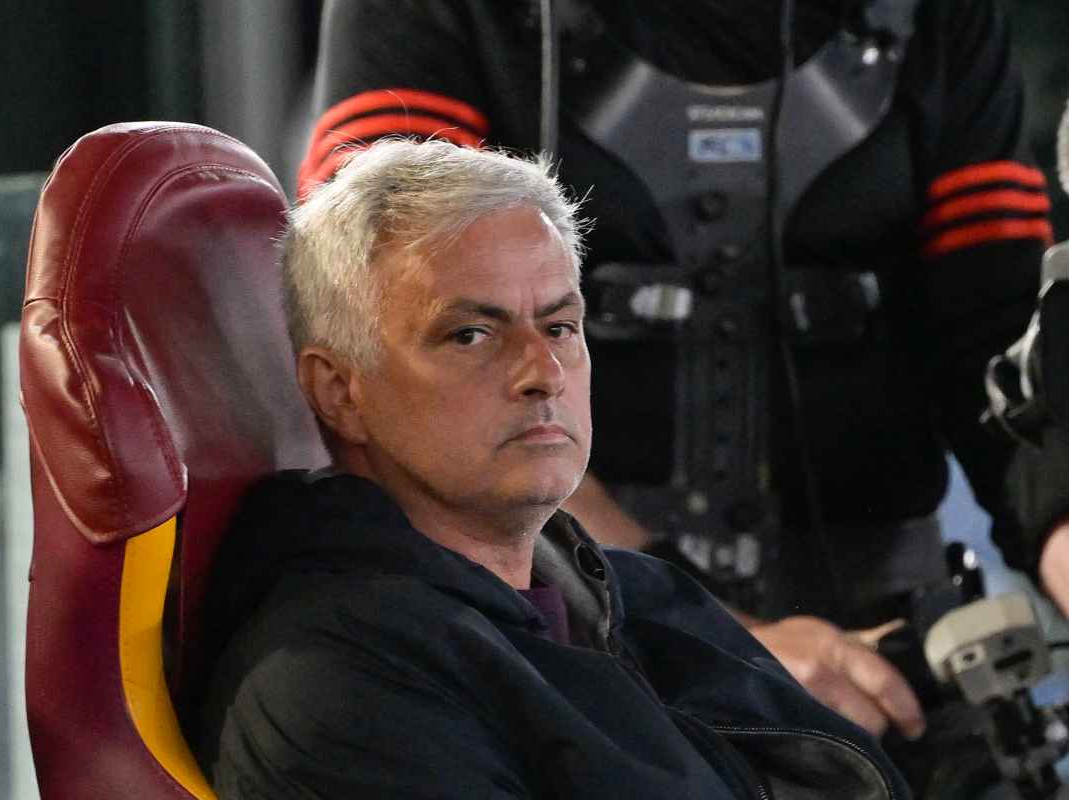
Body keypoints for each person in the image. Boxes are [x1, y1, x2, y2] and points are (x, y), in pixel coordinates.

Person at [299, 0, 1064, 767]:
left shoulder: (942, 17)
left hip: (886, 654)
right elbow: (388, 337)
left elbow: (1003, 341)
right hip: (563, 645)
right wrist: (718, 642)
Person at [188, 138, 908, 798]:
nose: (544, 372)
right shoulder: (342, 683)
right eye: (471, 334)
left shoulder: (632, 593)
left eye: (560, 326)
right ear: (340, 391)